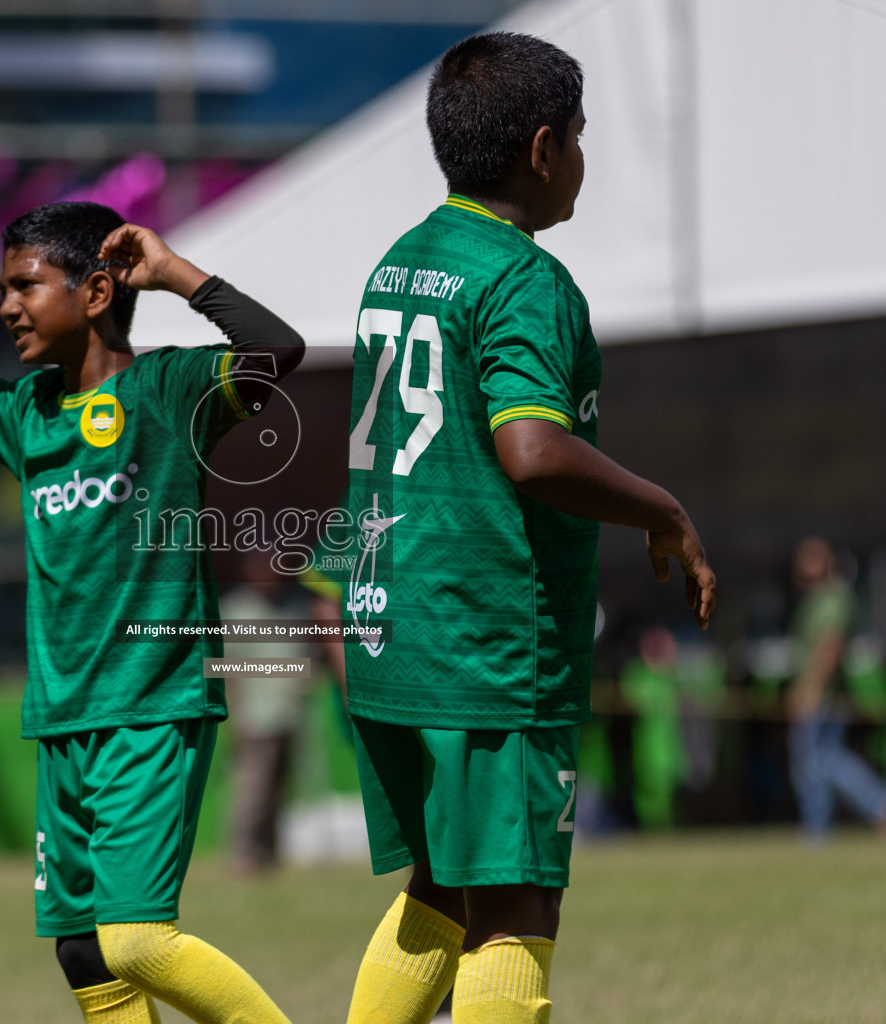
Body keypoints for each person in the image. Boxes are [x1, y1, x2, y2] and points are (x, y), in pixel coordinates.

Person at [340, 32, 717, 1024]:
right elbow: (534, 450)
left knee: (437, 890)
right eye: (582, 137)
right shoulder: (523, 282)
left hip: (393, 633)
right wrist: (663, 507)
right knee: (512, 901)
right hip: (488, 644)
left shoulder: (402, 260)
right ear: (543, 148)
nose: (583, 158)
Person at [0, 201, 304, 1024]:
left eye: (26, 286)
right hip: (63, 719)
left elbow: (277, 352)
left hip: (151, 708)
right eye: (4, 290)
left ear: (95, 292)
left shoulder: (167, 391)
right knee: (82, 949)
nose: (9, 305)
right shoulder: (25, 412)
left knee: (134, 940)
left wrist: (173, 276)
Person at [787, 536, 886, 841]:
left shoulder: (833, 598)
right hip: (817, 693)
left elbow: (830, 646)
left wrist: (812, 689)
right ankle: (820, 829)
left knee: (820, 762)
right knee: (818, 762)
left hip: (824, 695)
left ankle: (879, 804)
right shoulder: (814, 599)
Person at [220, 547, 314, 875]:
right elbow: (223, 666)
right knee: (252, 790)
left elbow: (306, 654)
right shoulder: (236, 608)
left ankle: (270, 855)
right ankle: (243, 855)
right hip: (254, 715)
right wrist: (235, 713)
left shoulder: (294, 605)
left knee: (279, 789)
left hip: (288, 712)